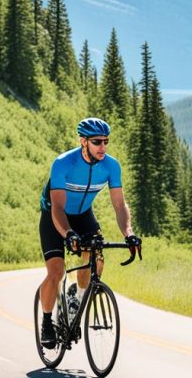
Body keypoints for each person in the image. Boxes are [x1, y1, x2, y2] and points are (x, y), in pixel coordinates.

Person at [38, 117, 140, 347]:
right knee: (56, 272)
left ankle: (77, 297)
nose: (103, 147)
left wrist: (129, 234)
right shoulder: (64, 163)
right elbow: (58, 207)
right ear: (83, 142)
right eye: (97, 142)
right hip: (55, 215)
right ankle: (46, 321)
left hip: (83, 214)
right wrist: (68, 234)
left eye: (106, 141)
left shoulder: (111, 166)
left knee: (97, 258)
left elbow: (119, 205)